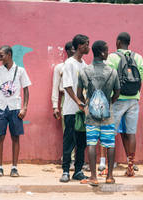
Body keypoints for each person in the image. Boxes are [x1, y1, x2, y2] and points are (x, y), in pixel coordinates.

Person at [77, 40, 120, 185]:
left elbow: (79, 94)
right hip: (108, 114)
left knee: (91, 143)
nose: (108, 53)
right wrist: (108, 103)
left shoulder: (84, 71)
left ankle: (94, 177)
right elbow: (117, 93)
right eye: (107, 50)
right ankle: (110, 177)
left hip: (91, 115)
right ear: (102, 52)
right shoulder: (112, 72)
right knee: (109, 144)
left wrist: (87, 105)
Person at [0, 45, 31, 177]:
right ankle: (0, 167)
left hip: (15, 108)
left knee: (15, 138)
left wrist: (24, 107)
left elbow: (26, 89)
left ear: (9, 54)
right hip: (1, 107)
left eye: (1, 55)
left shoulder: (20, 71)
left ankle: (14, 167)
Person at [107, 32, 143, 177]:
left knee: (110, 133)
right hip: (134, 98)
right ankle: (130, 166)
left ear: (118, 42)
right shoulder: (138, 57)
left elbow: (110, 78)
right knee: (131, 132)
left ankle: (108, 167)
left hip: (117, 99)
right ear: (129, 42)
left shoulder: (112, 57)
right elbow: (140, 76)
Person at [60, 34, 90, 183]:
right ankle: (65, 170)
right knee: (69, 141)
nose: (88, 47)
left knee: (81, 142)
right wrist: (78, 101)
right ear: (79, 46)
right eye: (86, 44)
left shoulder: (84, 64)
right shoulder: (69, 63)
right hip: (71, 110)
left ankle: (78, 170)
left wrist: (85, 103)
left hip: (82, 111)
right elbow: (67, 85)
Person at [52, 41, 75, 169]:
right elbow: (55, 87)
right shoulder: (60, 67)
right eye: (72, 49)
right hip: (65, 99)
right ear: (67, 51)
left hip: (79, 100)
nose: (74, 52)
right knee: (68, 131)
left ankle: (78, 159)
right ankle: (69, 159)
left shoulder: (83, 65)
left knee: (79, 131)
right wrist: (55, 106)